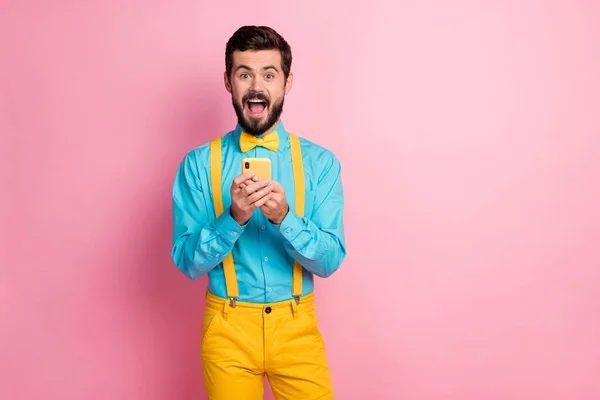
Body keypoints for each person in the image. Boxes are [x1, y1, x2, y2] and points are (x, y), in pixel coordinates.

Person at [171, 25, 346, 400]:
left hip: (297, 327)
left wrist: (286, 218)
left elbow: (330, 260)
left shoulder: (321, 164)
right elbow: (187, 262)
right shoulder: (199, 165)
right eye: (244, 73)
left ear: (287, 82)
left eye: (269, 74)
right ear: (228, 81)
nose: (256, 85)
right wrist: (232, 219)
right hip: (227, 328)